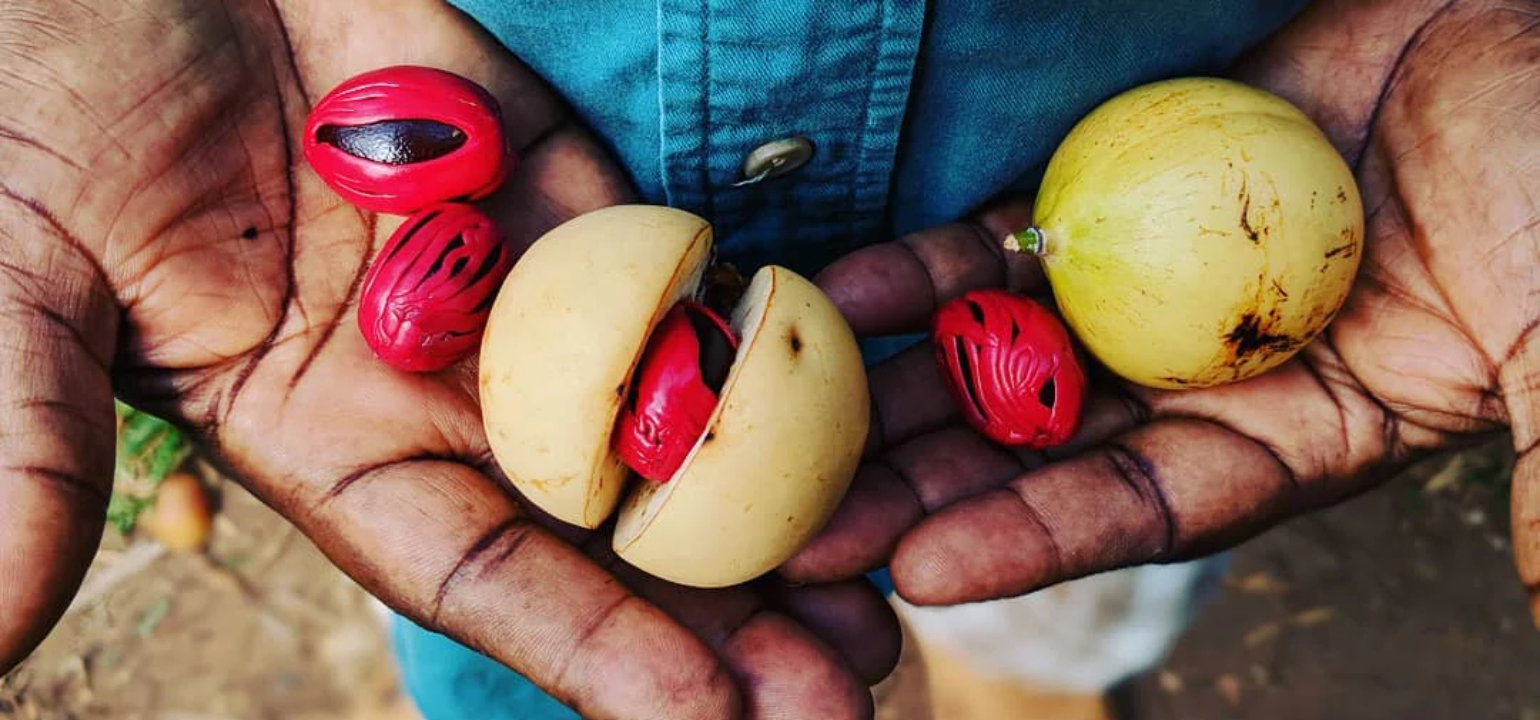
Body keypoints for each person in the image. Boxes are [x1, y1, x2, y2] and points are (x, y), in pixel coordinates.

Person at [0, 1, 1535, 719]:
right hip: (511, 87)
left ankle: (1048, 689)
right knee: (541, 623)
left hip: (1170, 103)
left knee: (1056, 563)